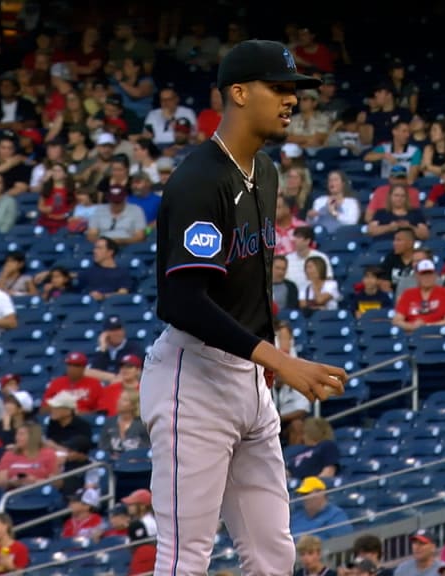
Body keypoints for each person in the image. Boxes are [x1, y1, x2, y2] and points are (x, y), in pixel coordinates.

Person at [140, 40, 347, 576]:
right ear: (238, 92)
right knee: (186, 557)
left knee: (273, 553)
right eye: (279, 88)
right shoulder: (198, 180)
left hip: (250, 379)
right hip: (196, 378)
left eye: (293, 91)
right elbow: (182, 300)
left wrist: (265, 359)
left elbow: (249, 283)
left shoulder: (267, 173)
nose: (291, 101)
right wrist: (281, 359)